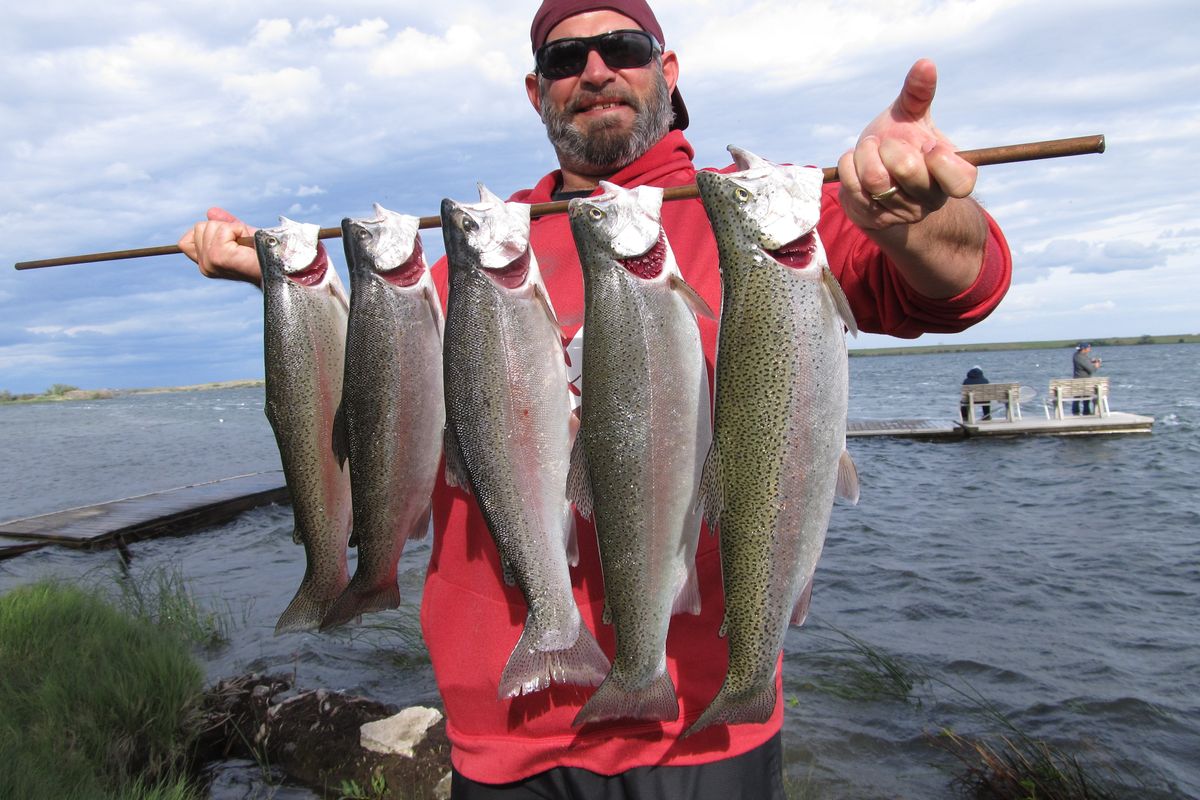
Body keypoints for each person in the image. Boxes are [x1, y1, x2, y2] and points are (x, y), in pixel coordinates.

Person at [178, 1, 1013, 796]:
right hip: (502, 723)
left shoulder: (759, 219)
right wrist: (285, 279)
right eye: (564, 58)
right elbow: (385, 352)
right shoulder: (482, 258)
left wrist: (912, 218)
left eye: (626, 49)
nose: (597, 70)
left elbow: (965, 286)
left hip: (698, 729)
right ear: (537, 90)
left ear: (669, 68)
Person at [1072, 342, 1101, 415]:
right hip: (1083, 380)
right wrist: (1096, 366)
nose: (1089, 349)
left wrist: (1093, 361)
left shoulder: (1077, 355)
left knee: (1079, 396)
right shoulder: (1081, 357)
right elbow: (1091, 370)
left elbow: (1085, 362)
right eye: (1088, 348)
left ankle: (1078, 412)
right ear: (1083, 349)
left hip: (1078, 380)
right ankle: (1084, 411)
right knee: (1082, 395)